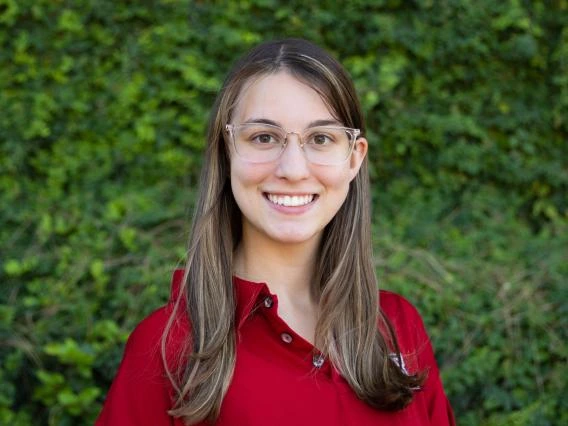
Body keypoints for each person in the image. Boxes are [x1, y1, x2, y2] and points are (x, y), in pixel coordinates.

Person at [96, 38, 455, 426]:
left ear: (354, 158)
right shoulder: (166, 347)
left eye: (321, 139)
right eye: (264, 137)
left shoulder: (399, 326)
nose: (293, 169)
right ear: (226, 151)